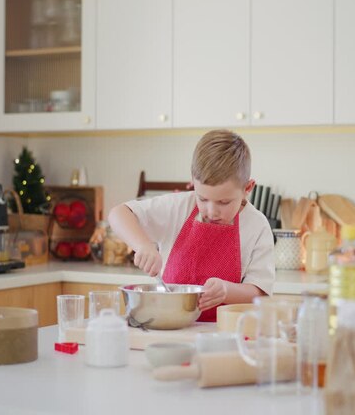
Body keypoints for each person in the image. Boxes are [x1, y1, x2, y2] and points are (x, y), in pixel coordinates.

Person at [108, 129, 275, 321]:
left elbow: (260, 294)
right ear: (193, 183)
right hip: (171, 327)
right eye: (202, 198)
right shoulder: (178, 207)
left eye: (224, 202)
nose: (211, 211)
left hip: (225, 333)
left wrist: (226, 291)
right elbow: (118, 213)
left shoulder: (257, 226)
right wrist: (143, 246)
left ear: (247, 188)